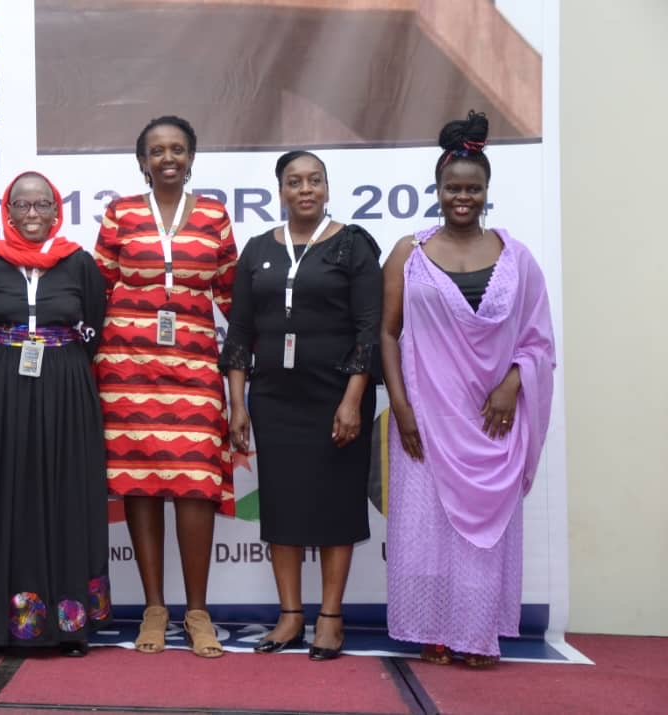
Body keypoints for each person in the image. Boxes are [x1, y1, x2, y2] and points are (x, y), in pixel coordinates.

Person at [381, 111, 555, 667]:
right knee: (428, 531)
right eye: (452, 188)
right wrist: (402, 410)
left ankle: (478, 634)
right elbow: (386, 332)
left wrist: (510, 385)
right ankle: (435, 629)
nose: (462, 197)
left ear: (486, 192)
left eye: (472, 188)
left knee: (484, 536)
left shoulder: (517, 258)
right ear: (436, 190)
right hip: (426, 421)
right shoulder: (408, 253)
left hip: (490, 421)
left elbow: (539, 342)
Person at [0, 171, 109, 657]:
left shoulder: (79, 263)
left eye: (43, 205)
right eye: (23, 206)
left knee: (61, 494)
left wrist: (63, 372)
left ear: (57, 210)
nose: (33, 215)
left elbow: (92, 327)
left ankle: (68, 624)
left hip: (64, 389)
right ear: (7, 212)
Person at [220, 151, 382, 660]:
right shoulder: (256, 250)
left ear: (328, 189)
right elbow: (241, 331)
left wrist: (353, 400)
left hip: (337, 398)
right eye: (295, 182)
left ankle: (330, 617)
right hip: (274, 399)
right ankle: (290, 615)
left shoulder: (353, 244)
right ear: (281, 191)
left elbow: (368, 329)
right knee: (283, 504)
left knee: (335, 503)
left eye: (315, 180)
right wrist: (238, 405)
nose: (305, 189)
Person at [95, 116, 237, 658]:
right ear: (143, 161)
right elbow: (98, 285)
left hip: (197, 367)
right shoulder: (120, 213)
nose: (168, 158)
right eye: (157, 151)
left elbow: (232, 295)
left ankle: (196, 612)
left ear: (192, 157)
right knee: (140, 481)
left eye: (177, 149)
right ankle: (154, 609)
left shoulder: (216, 216)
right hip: (126, 368)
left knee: (196, 482)